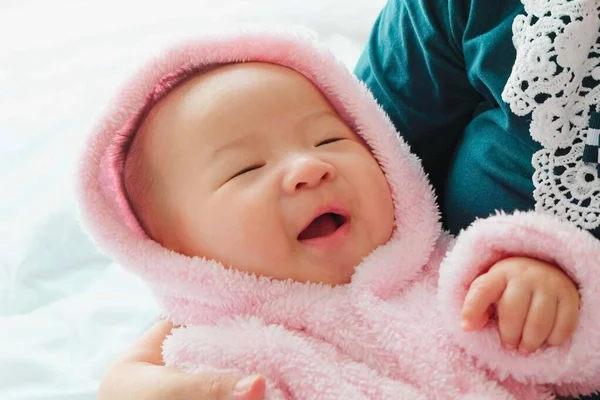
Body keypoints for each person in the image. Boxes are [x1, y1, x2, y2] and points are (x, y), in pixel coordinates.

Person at [90, 0, 600, 398]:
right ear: (171, 255)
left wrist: (550, 289)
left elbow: (580, 364)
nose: (310, 167)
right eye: (246, 168)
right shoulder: (220, 361)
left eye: (328, 141)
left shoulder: (463, 279)